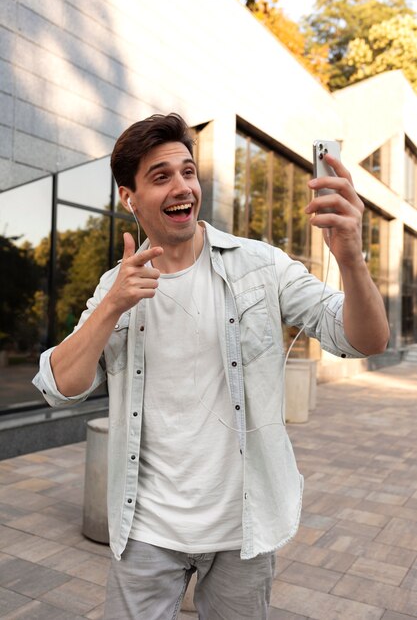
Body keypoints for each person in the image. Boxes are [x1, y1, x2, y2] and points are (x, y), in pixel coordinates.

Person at [33, 113, 389, 620]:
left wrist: (352, 258)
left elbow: (364, 339)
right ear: (128, 198)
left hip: (242, 529)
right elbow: (57, 386)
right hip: (147, 531)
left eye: (188, 172)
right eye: (161, 177)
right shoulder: (118, 284)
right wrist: (112, 306)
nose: (183, 187)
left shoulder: (260, 265)